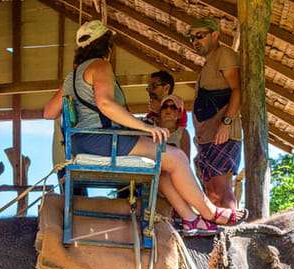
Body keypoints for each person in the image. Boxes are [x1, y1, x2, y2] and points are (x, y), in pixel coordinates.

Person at [43, 20, 246, 235]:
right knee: (176, 157)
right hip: (103, 141)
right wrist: (145, 127)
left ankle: (191, 219)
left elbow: (48, 112)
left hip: (81, 143)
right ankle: (211, 212)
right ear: (107, 46)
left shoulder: (71, 78)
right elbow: (105, 104)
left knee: (162, 163)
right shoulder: (100, 66)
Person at [190, 17, 242, 211]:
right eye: (192, 38)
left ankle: (231, 229)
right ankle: (218, 233)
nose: (195, 40)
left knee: (222, 188)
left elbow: (237, 90)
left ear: (215, 35)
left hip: (222, 133)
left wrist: (226, 123)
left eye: (200, 36)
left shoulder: (224, 55)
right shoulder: (210, 62)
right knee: (211, 190)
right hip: (207, 134)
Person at [157, 94, 191, 161]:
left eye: (173, 107)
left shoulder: (183, 133)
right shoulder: (152, 130)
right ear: (160, 112)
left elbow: (186, 160)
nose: (168, 109)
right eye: (165, 106)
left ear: (179, 114)